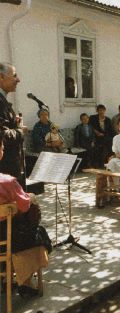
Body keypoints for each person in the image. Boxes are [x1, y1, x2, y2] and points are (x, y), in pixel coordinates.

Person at [0, 133, 49, 297]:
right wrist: (31, 198)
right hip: (7, 239)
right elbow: (25, 205)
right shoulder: (7, 181)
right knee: (37, 232)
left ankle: (7, 278)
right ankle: (26, 281)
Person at [0, 62, 23, 181]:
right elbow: (3, 135)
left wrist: (14, 123)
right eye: (14, 75)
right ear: (1, 77)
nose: (18, 80)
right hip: (5, 170)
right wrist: (20, 131)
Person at [90, 104, 114, 168]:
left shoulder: (108, 120)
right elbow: (89, 126)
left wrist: (103, 134)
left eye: (103, 110)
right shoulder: (93, 118)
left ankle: (106, 163)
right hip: (96, 137)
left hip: (105, 136)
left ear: (105, 110)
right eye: (100, 110)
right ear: (97, 111)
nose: (101, 112)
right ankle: (99, 164)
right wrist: (95, 131)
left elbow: (110, 130)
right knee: (99, 147)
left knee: (108, 144)